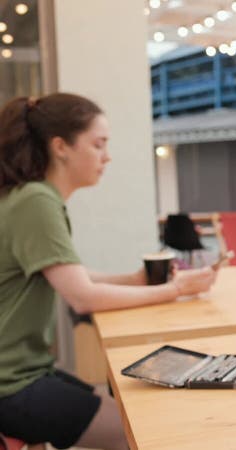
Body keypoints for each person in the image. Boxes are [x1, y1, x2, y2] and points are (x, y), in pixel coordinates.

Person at [0, 93, 218, 450]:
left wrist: (135, 281)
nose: (107, 156)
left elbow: (73, 276)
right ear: (61, 147)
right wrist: (174, 290)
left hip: (26, 372)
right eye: (98, 144)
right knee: (132, 430)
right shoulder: (35, 201)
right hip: (11, 384)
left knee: (123, 405)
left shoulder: (33, 198)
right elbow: (82, 296)